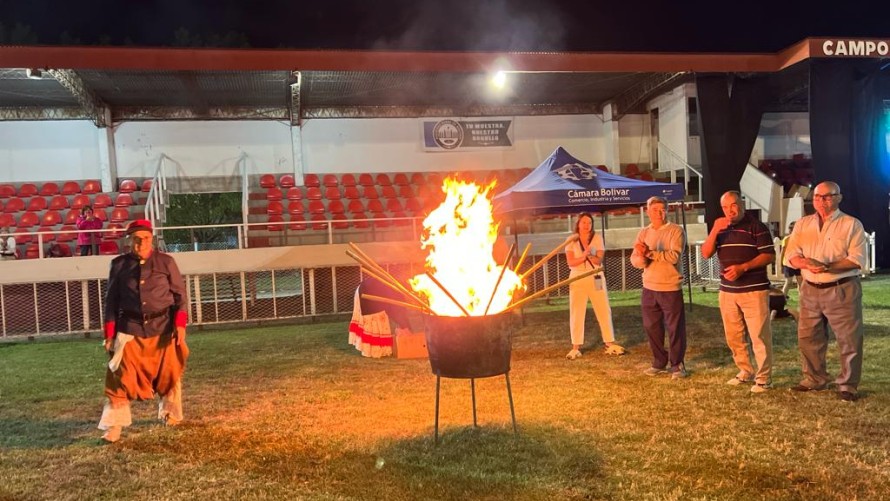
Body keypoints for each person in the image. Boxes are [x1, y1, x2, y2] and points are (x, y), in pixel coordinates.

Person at [98, 219, 189, 443]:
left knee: (169, 373)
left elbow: (180, 297)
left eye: (146, 239)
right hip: (130, 330)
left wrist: (180, 326)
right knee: (119, 377)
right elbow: (111, 303)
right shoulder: (118, 265)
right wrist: (109, 335)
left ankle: (170, 414)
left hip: (164, 329)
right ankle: (114, 426)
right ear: (129, 241)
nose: (142, 243)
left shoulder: (166, 262)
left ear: (152, 239)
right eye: (137, 239)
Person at [783, 181, 867, 402]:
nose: (822, 201)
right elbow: (791, 254)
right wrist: (806, 263)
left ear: (839, 197)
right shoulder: (803, 224)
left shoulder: (851, 224)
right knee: (809, 337)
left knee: (849, 339)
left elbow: (856, 259)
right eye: (818, 197)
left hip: (841, 288)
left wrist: (827, 267)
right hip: (810, 288)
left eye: (828, 196)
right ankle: (814, 378)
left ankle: (848, 384)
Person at [701, 191, 775, 393]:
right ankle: (745, 370)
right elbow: (706, 253)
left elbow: (768, 255)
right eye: (725, 207)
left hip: (754, 290)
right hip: (728, 291)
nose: (730, 210)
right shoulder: (720, 228)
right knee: (734, 335)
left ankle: (764, 377)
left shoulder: (757, 227)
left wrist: (743, 267)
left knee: (759, 335)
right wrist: (715, 229)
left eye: (733, 205)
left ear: (741, 203)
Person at [630, 196, 688, 378]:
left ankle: (677, 365)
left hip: (670, 287)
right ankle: (659, 362)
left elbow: (674, 256)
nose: (659, 213)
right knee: (651, 327)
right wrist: (641, 257)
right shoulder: (643, 233)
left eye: (662, 209)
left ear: (667, 210)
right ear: (647, 211)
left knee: (675, 328)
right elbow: (635, 260)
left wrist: (649, 252)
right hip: (649, 287)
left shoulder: (676, 231)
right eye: (655, 210)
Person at [564, 212, 624, 360]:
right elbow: (571, 263)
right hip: (577, 277)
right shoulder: (571, 240)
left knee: (603, 309)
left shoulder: (597, 238)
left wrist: (589, 255)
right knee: (577, 312)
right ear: (578, 224)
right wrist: (584, 256)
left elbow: (598, 260)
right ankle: (576, 347)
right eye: (583, 222)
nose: (586, 225)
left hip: (595, 275)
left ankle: (609, 343)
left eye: (589, 223)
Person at [348, 275, 412, 358]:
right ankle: (376, 351)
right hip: (368, 293)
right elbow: (398, 312)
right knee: (377, 319)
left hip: (364, 290)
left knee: (375, 319)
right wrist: (406, 326)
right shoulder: (398, 292)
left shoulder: (396, 287)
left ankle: (371, 349)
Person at [780, 221, 803, 295]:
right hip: (788, 263)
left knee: (800, 283)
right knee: (788, 282)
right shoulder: (786, 239)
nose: (790, 230)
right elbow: (782, 252)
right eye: (790, 229)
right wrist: (781, 264)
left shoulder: (800, 239)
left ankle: (802, 301)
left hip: (798, 263)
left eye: (792, 229)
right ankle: (782, 299)